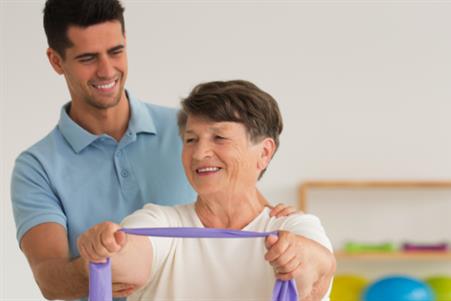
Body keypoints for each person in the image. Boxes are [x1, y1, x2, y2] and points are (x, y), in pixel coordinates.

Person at [10, 1, 294, 299]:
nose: (107, 70)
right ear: (56, 61)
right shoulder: (36, 167)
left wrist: (277, 217)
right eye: (88, 58)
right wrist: (99, 264)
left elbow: (242, 193)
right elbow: (49, 279)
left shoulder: (188, 132)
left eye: (116, 51)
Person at [77, 80, 336, 300]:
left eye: (219, 138)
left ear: (264, 153)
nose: (199, 153)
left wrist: (296, 259)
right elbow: (124, 264)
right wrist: (104, 247)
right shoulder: (161, 221)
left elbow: (316, 272)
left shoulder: (295, 229)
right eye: (191, 139)